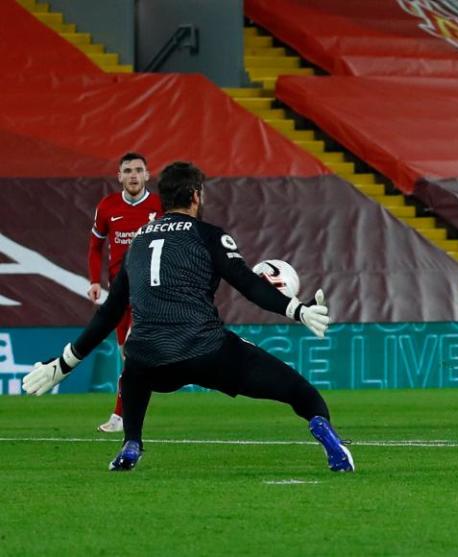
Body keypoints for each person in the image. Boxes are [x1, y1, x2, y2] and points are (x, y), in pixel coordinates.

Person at [23, 162, 354, 473]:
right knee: (300, 391)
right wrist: (298, 309)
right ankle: (325, 431)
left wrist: (64, 363)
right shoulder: (208, 235)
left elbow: (110, 312)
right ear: (196, 194)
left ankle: (131, 443)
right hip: (207, 351)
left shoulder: (138, 242)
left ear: (162, 199)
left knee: (135, 365)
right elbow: (248, 284)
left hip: (150, 360)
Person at [87, 152, 163, 433]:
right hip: (121, 296)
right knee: (127, 357)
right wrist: (95, 281)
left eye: (138, 170)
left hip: (150, 293)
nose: (133, 175)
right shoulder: (107, 207)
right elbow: (95, 246)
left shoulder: (159, 206)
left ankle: (121, 417)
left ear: (147, 175)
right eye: (128, 170)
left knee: (133, 354)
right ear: (119, 176)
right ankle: (125, 411)